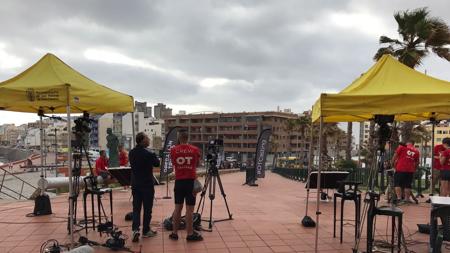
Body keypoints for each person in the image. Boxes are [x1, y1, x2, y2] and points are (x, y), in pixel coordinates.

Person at [169, 130, 203, 241]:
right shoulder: (195, 150)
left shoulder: (173, 150)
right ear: (187, 138)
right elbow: (197, 164)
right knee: (189, 210)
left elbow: (174, 163)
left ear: (179, 138)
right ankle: (190, 234)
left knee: (177, 208)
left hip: (179, 182)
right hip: (190, 182)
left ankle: (174, 233)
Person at [129, 132, 160, 242]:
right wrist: (154, 154)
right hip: (147, 185)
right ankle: (146, 231)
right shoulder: (149, 153)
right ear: (142, 140)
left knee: (136, 209)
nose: (149, 140)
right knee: (147, 209)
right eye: (147, 138)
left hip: (135, 185)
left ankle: (135, 230)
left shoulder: (131, 153)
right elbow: (157, 164)